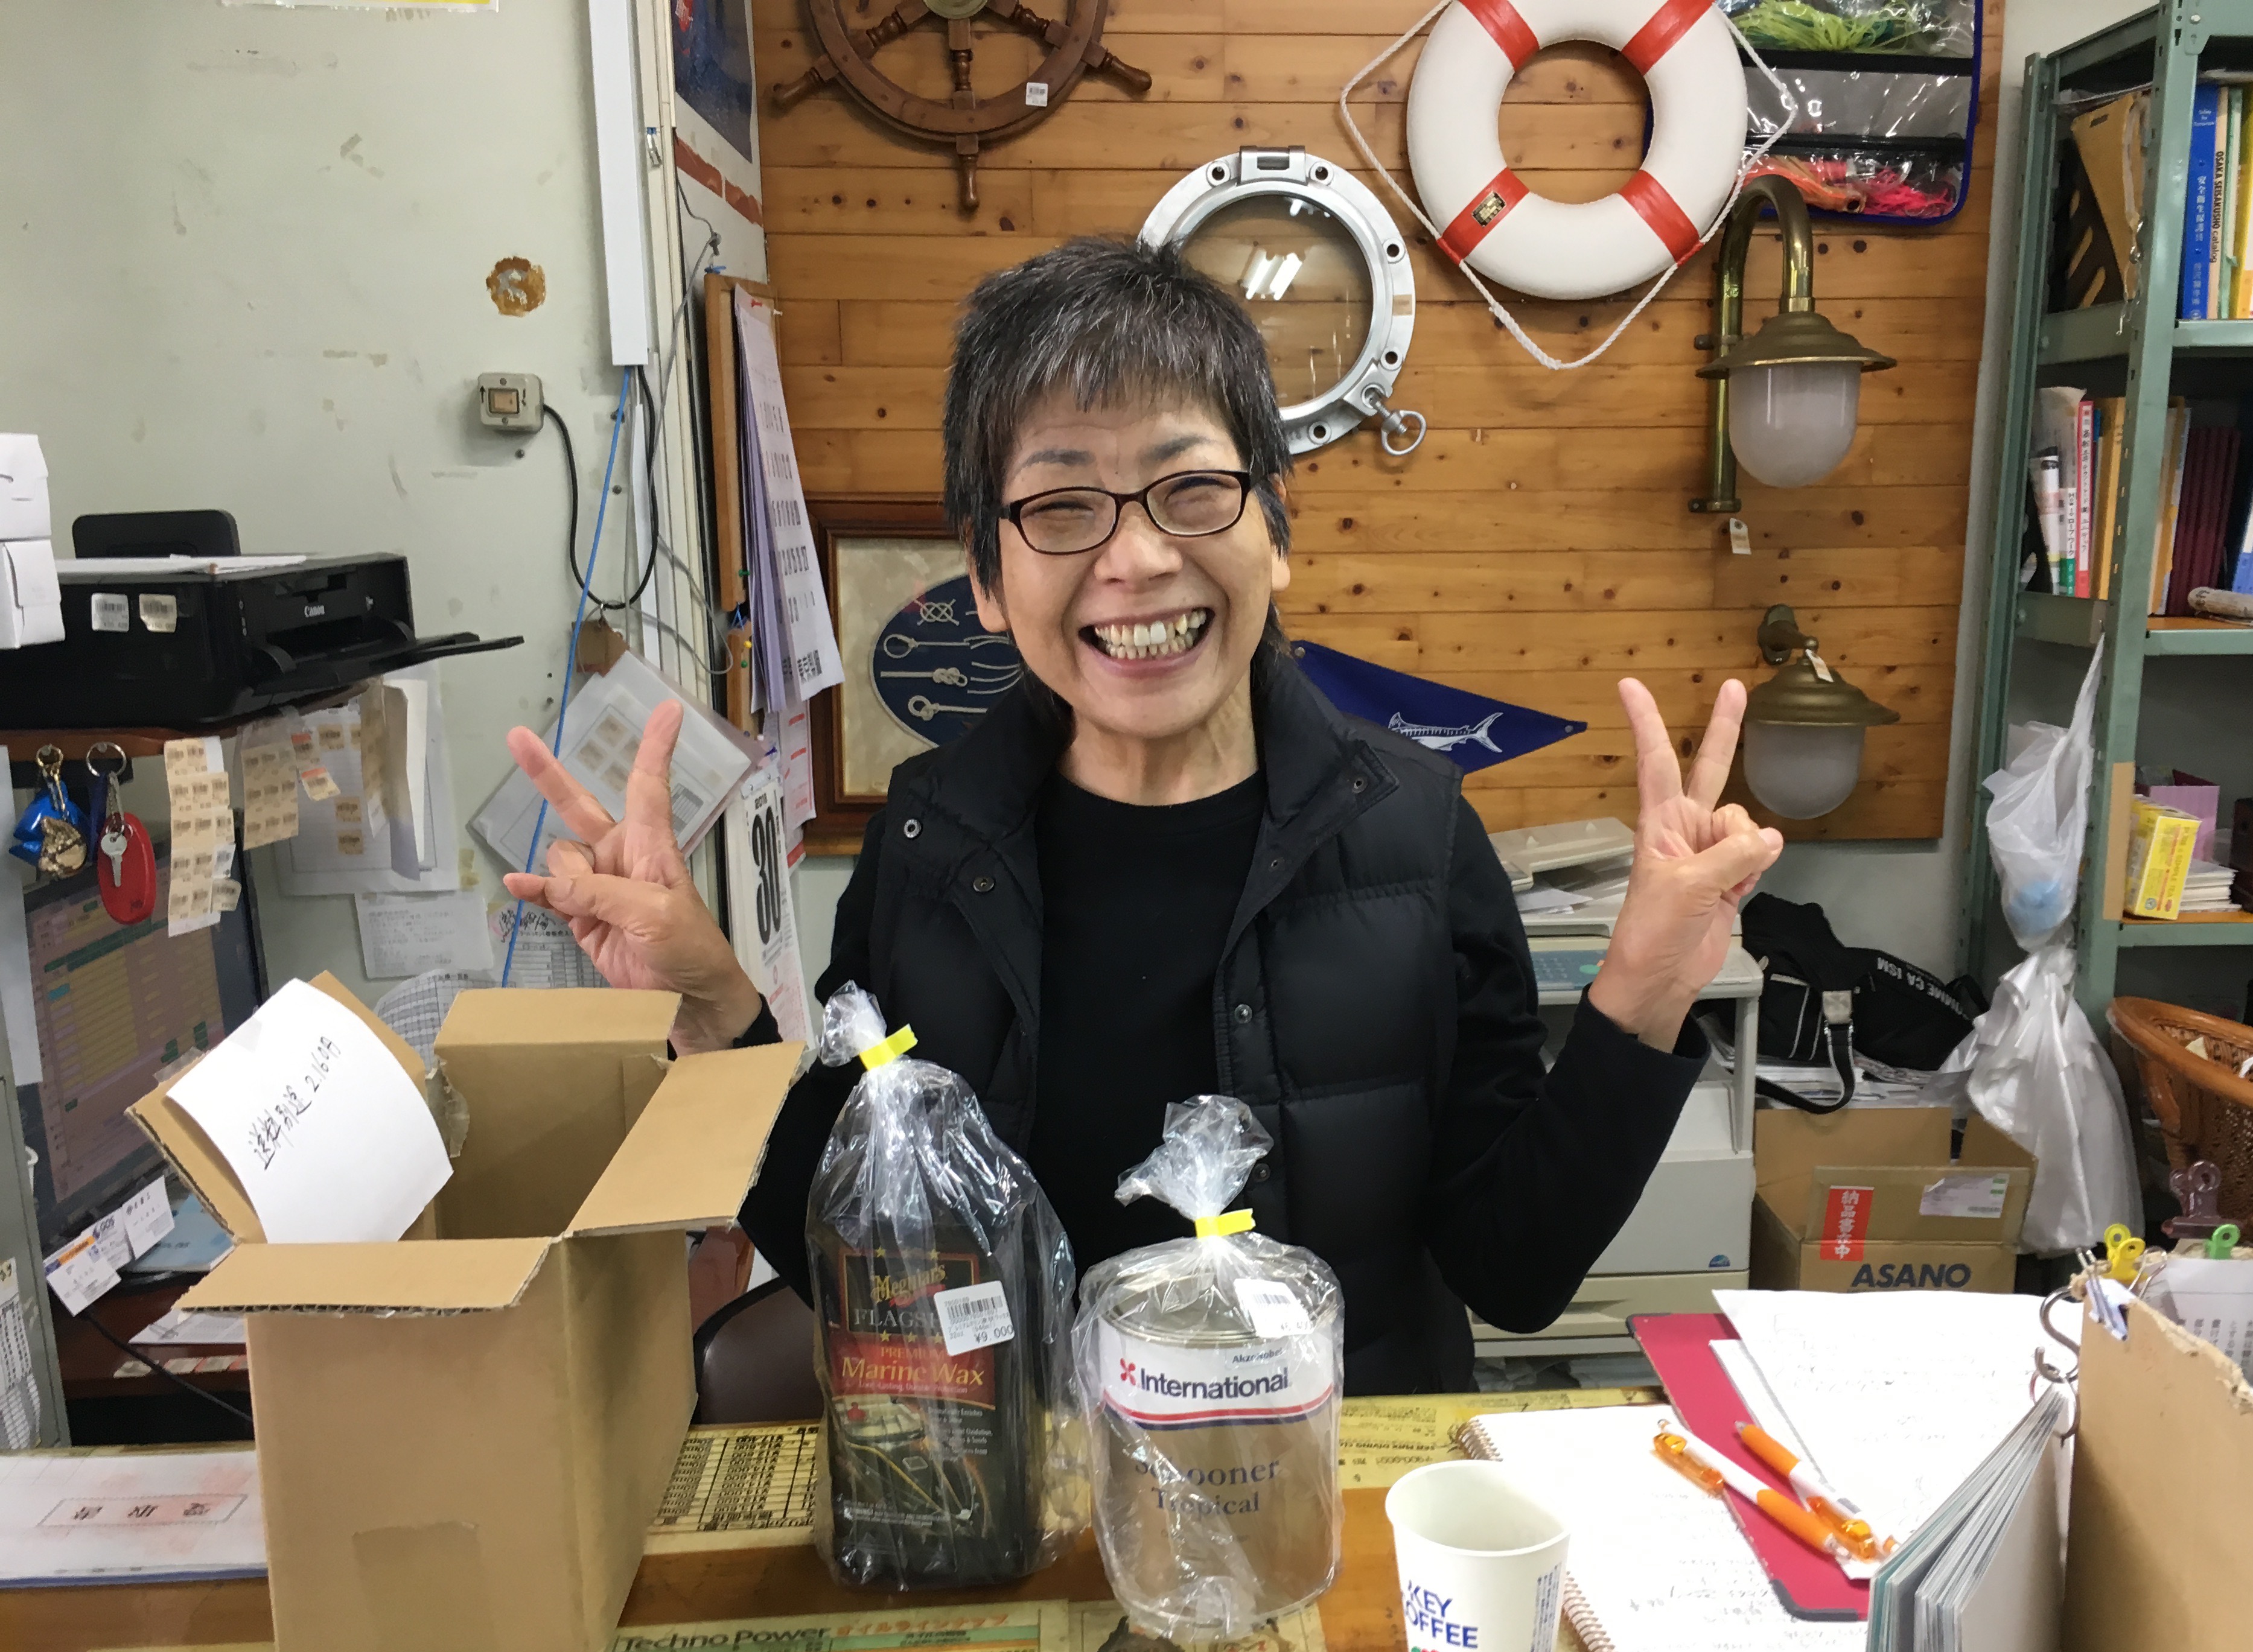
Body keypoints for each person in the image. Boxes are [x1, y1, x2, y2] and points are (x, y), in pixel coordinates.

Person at [503, 237, 1783, 1394]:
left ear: (1274, 530)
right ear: (987, 579)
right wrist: (713, 1007)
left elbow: (1514, 1271)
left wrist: (1641, 1000)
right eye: (1063, 507)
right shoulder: (931, 843)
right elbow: (856, 1251)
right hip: (1022, 1502)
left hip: (1326, 1502)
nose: (1137, 559)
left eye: (1191, 489)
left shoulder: (1416, 833)